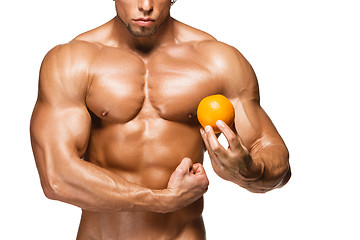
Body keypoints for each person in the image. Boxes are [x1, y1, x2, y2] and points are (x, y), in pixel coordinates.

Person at [30, 0, 291, 239]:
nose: (146, 5)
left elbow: (275, 161)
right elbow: (56, 176)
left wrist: (249, 169)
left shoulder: (218, 62)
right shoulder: (72, 61)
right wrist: (161, 200)